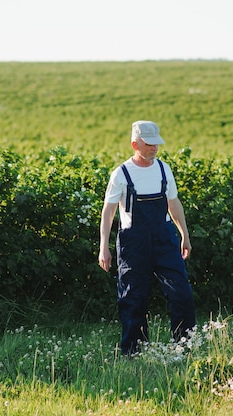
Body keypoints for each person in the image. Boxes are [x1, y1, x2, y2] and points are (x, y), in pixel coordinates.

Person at [98, 120, 196, 355]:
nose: (155, 148)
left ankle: (184, 346)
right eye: (149, 144)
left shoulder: (164, 169)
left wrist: (184, 235)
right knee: (133, 297)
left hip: (165, 239)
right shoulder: (121, 174)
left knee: (181, 293)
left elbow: (173, 203)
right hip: (134, 243)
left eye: (157, 143)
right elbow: (108, 212)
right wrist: (104, 247)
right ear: (135, 144)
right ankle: (134, 351)